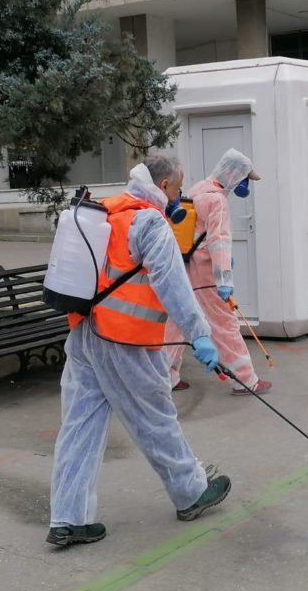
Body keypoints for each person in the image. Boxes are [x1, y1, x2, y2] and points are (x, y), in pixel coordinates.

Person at [48, 156, 231, 547]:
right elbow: (173, 286)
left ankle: (68, 517)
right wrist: (200, 335)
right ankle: (191, 492)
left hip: (83, 335)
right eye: (178, 189)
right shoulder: (150, 222)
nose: (180, 196)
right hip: (125, 340)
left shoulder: (108, 211)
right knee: (155, 418)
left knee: (79, 427)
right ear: (164, 186)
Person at [165, 149, 270, 394]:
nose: (245, 185)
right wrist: (224, 279)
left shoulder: (195, 190)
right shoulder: (217, 201)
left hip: (184, 267)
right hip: (206, 274)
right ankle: (245, 379)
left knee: (177, 322)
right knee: (225, 325)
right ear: (234, 175)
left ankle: (165, 377)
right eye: (245, 179)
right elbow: (219, 241)